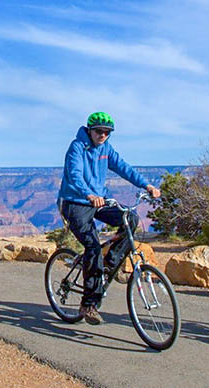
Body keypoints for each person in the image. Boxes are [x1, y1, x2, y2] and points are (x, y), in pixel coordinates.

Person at [57, 111, 161, 325]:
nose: (103, 135)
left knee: (130, 219)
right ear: (90, 130)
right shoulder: (77, 147)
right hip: (76, 202)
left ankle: (108, 263)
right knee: (92, 247)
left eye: (107, 132)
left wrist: (146, 185)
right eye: (99, 131)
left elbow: (124, 168)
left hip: (99, 201)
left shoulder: (106, 149)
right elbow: (75, 174)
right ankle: (88, 305)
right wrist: (88, 194)